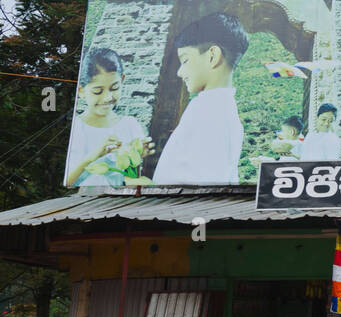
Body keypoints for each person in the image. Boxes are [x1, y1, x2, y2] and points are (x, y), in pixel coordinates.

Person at [152, 12, 248, 185]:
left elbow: (204, 184)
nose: (180, 72)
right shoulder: (221, 108)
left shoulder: (209, 110)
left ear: (212, 56)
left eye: (185, 60)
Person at [64, 48, 155, 187]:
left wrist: (138, 156)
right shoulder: (76, 128)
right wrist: (95, 155)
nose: (107, 98)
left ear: (122, 80)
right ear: (81, 90)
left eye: (114, 88)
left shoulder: (130, 125)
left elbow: (132, 177)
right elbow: (67, 182)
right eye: (97, 91)